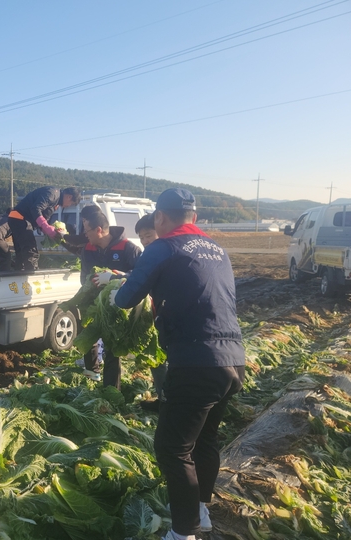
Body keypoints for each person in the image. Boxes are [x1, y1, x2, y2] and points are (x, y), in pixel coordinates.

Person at [113, 188, 245, 540]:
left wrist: (112, 291)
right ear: (194, 218)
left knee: (172, 448)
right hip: (234, 360)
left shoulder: (163, 247)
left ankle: (184, 533)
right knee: (205, 439)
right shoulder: (217, 249)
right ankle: (200, 511)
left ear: (159, 218)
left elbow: (126, 298)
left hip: (195, 362)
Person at [77, 210, 142, 387]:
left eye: (87, 230)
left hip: (117, 306)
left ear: (98, 230)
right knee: (88, 336)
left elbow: (140, 275)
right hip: (93, 303)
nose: (85, 234)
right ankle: (92, 374)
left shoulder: (128, 248)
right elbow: (84, 277)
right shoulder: (88, 249)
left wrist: (117, 277)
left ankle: (111, 390)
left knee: (113, 347)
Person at [134, 213, 166, 411]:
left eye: (148, 235)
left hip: (168, 314)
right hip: (155, 313)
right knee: (156, 357)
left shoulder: (165, 253)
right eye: (141, 238)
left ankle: (169, 401)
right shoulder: (147, 254)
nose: (145, 241)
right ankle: (163, 398)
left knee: (165, 358)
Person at [8, 186, 80, 271]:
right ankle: (31, 274)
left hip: (17, 219)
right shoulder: (52, 194)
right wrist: (46, 227)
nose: (68, 206)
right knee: (30, 251)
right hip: (20, 219)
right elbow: (36, 208)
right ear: (69, 197)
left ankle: (19, 274)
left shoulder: (56, 202)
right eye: (71, 204)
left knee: (21, 253)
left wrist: (48, 230)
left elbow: (44, 218)